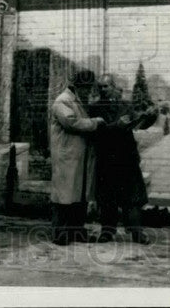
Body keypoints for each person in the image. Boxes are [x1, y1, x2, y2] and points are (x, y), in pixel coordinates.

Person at [87, 75, 159, 244]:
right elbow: (94, 132)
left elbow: (139, 124)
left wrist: (150, 116)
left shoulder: (126, 106)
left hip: (127, 158)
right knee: (107, 198)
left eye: (105, 86)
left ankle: (136, 232)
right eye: (100, 87)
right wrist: (116, 127)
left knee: (132, 198)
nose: (102, 90)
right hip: (106, 158)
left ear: (113, 87)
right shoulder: (94, 108)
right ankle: (107, 231)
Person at [49, 69, 104, 245]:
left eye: (90, 88)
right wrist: (95, 123)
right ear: (77, 85)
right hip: (66, 158)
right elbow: (72, 122)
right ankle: (60, 233)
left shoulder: (76, 100)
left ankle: (76, 231)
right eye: (86, 88)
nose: (88, 92)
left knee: (78, 195)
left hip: (76, 157)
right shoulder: (62, 101)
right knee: (64, 196)